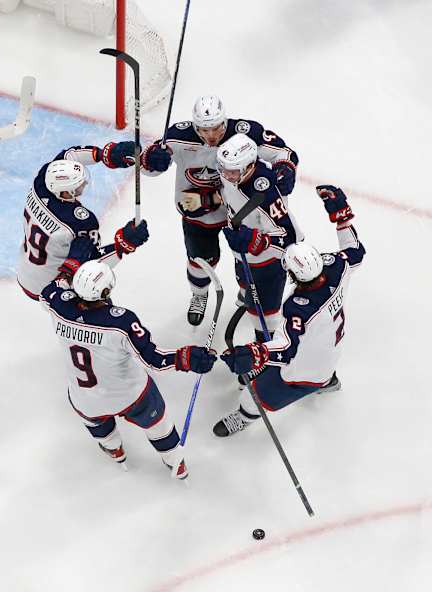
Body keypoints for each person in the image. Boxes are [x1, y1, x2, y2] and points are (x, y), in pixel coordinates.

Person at [40, 259, 217, 478]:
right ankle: (176, 464)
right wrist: (186, 357)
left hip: (85, 398)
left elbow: (47, 292)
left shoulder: (58, 307)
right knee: (158, 425)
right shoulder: (121, 322)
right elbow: (153, 360)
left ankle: (115, 450)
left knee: (92, 415)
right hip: (130, 396)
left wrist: (67, 274)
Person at [214, 185, 365, 437]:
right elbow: (355, 250)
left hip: (303, 370)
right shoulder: (337, 267)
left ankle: (245, 415)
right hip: (329, 352)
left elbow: (285, 350)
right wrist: (341, 214)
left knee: (256, 395)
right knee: (321, 362)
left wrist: (253, 354)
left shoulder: (299, 309)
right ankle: (328, 381)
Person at [140, 95, 298, 326]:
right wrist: (151, 160)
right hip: (198, 214)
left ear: (224, 122)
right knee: (200, 260)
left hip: (238, 216)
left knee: (244, 257)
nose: (211, 136)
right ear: (195, 126)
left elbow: (282, 152)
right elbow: (147, 168)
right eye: (204, 130)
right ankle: (199, 294)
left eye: (215, 128)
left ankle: (246, 291)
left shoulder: (244, 133)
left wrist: (286, 168)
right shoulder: (179, 136)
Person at [17, 142, 148, 300]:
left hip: (25, 273)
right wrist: (123, 244)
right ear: (65, 192)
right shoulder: (80, 222)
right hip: (52, 290)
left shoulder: (41, 183)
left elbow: (68, 156)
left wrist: (104, 154)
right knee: (96, 289)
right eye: (78, 185)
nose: (83, 185)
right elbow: (89, 268)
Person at [217, 133, 304, 341]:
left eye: (232, 172)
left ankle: (266, 352)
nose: (226, 176)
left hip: (268, 263)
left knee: (264, 314)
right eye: (224, 170)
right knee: (244, 281)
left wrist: (258, 241)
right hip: (242, 251)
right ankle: (246, 294)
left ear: (248, 166)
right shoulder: (230, 172)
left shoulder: (266, 193)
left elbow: (290, 238)